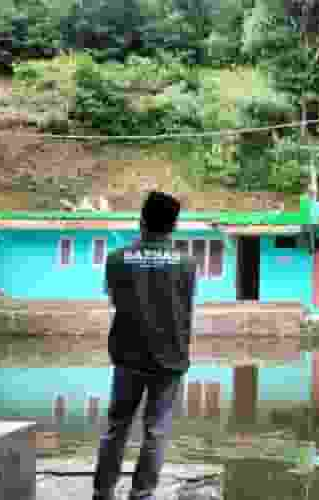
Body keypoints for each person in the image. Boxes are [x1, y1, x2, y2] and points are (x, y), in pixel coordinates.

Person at [92, 191, 198, 500]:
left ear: (141, 220)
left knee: (117, 427)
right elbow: (184, 308)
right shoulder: (187, 263)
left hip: (128, 357)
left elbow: (114, 300)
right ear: (174, 226)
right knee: (156, 430)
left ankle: (103, 492)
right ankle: (141, 494)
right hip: (170, 360)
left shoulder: (116, 260)